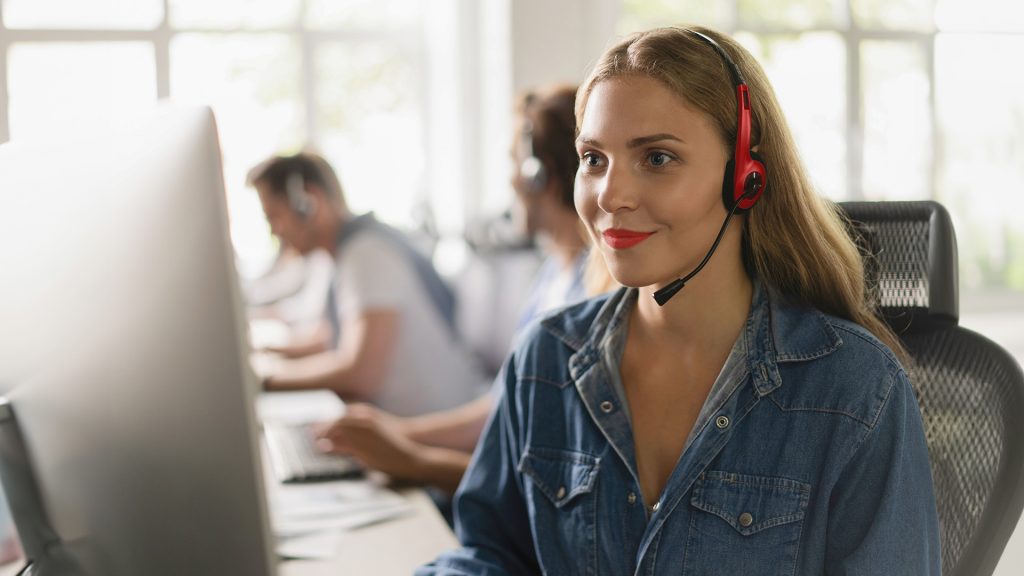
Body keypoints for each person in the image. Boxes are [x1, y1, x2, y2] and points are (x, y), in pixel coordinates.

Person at [418, 26, 940, 575]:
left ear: (746, 176)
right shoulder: (544, 362)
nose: (610, 195)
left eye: (657, 158)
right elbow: (489, 553)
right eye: (593, 158)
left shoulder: (855, 389)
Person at [316, 85, 600, 496]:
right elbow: (501, 412)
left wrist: (414, 460)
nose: (509, 180)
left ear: (541, 175)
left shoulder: (587, 298)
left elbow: (546, 483)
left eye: (512, 163)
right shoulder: (552, 277)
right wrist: (395, 433)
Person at [249, 152, 486, 417]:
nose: (274, 231)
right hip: (407, 424)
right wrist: (266, 355)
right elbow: (328, 337)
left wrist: (263, 380)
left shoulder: (366, 256)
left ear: (309, 203)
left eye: (274, 217)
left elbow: (361, 374)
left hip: (426, 428)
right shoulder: (352, 249)